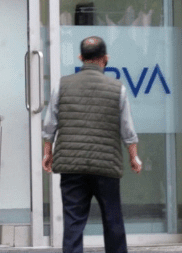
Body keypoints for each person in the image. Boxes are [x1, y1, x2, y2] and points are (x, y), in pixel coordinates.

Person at [42, 36, 142, 253]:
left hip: (72, 166)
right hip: (106, 166)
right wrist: (133, 156)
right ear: (105, 58)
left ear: (81, 57)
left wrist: (47, 153)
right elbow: (127, 128)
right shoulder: (117, 88)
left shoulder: (62, 85)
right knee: (113, 219)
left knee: (73, 221)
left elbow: (50, 124)